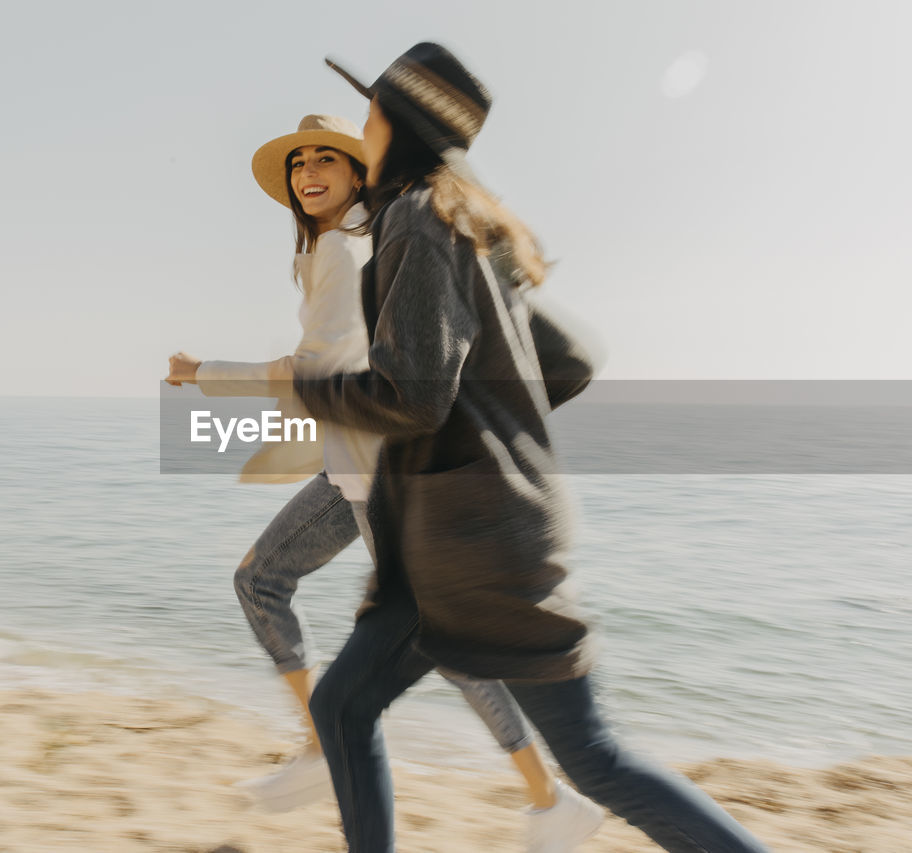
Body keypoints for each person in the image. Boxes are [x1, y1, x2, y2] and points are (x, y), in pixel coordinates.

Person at [293, 43, 773, 853]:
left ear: (393, 126)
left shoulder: (414, 222)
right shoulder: (469, 225)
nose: (362, 129)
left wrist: (312, 387)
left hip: (479, 553)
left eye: (371, 112)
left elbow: (411, 396)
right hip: (449, 548)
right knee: (342, 704)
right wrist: (494, 420)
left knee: (595, 759)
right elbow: (574, 358)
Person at [164, 115, 602, 848]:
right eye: (298, 162)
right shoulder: (339, 248)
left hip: (382, 481)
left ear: (357, 170)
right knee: (261, 580)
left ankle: (543, 794)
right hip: (353, 472)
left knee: (444, 642)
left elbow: (316, 373)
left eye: (325, 159)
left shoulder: (344, 247)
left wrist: (203, 372)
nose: (307, 171)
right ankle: (327, 745)